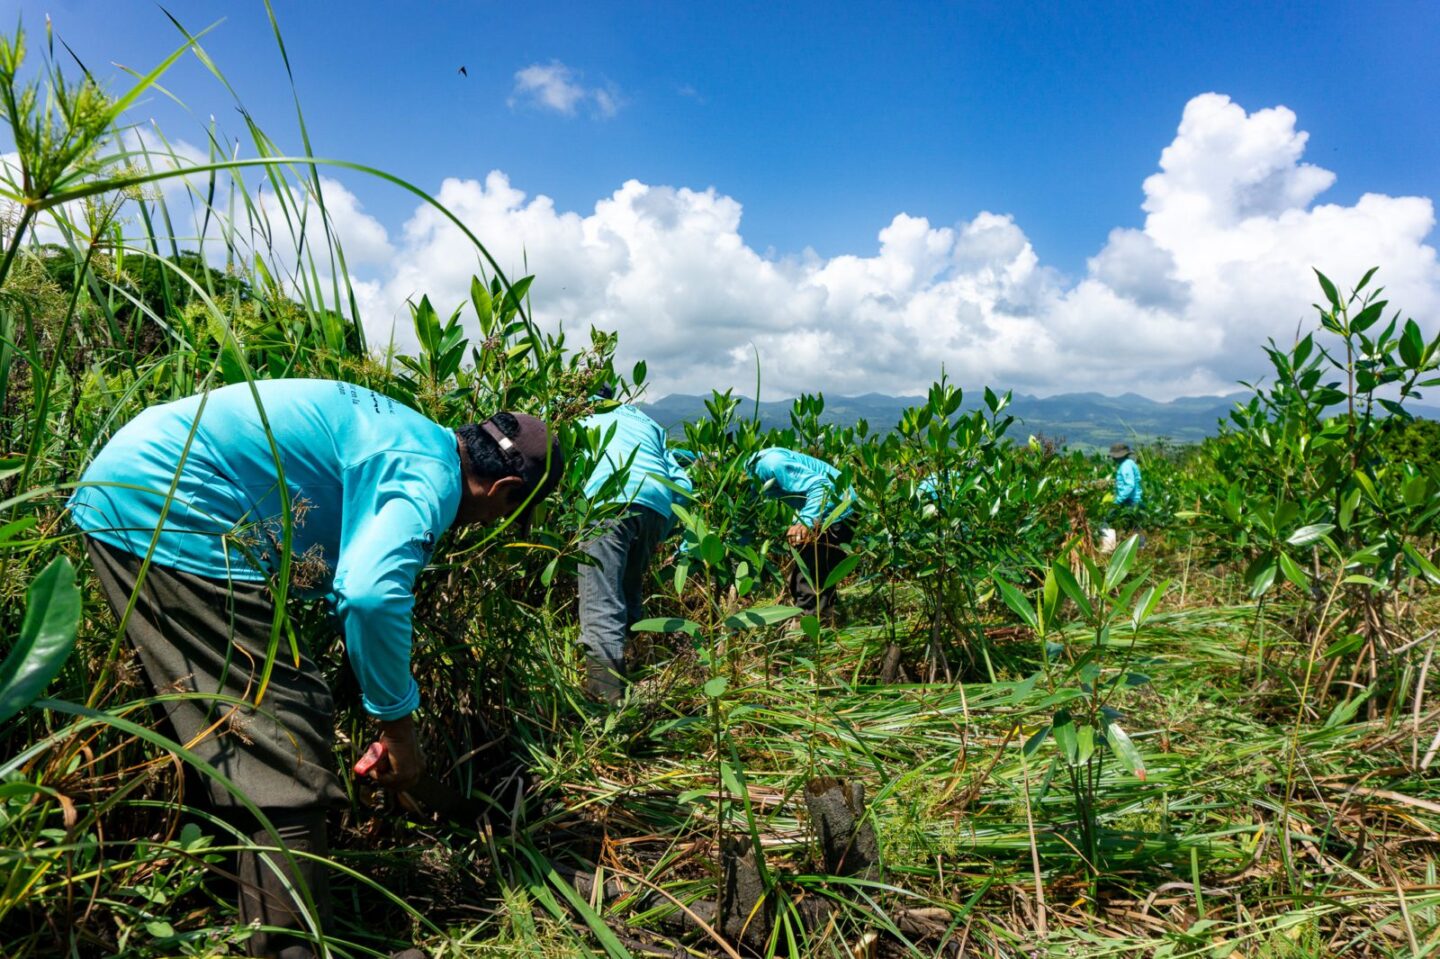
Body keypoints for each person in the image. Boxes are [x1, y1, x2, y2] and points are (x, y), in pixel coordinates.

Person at [68, 379, 562, 959]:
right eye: (508, 513)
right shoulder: (427, 480)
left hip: (141, 482)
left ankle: (223, 899)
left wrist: (373, 703)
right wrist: (399, 728)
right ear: (504, 488)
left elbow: (352, 580)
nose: (488, 525)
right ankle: (288, 948)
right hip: (168, 501)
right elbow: (371, 596)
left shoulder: (416, 439)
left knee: (233, 719)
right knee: (281, 731)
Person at [576, 400, 692, 703]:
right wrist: (662, 530)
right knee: (628, 591)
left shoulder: (577, 410)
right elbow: (682, 483)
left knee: (601, 600)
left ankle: (606, 702)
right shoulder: (647, 421)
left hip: (609, 500)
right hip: (656, 505)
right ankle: (631, 666)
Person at [745, 447, 856, 622]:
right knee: (801, 578)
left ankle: (813, 636)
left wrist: (804, 522)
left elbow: (822, 485)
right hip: (820, 512)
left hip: (836, 510)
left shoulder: (771, 464)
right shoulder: (751, 480)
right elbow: (744, 519)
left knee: (810, 580)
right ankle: (821, 621)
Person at [1108, 441, 1144, 537]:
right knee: (1134, 526)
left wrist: (1118, 500)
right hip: (1132, 500)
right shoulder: (1129, 463)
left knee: (1134, 526)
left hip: (1131, 501)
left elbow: (1129, 485)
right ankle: (1139, 547)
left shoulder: (1125, 466)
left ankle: (1139, 547)